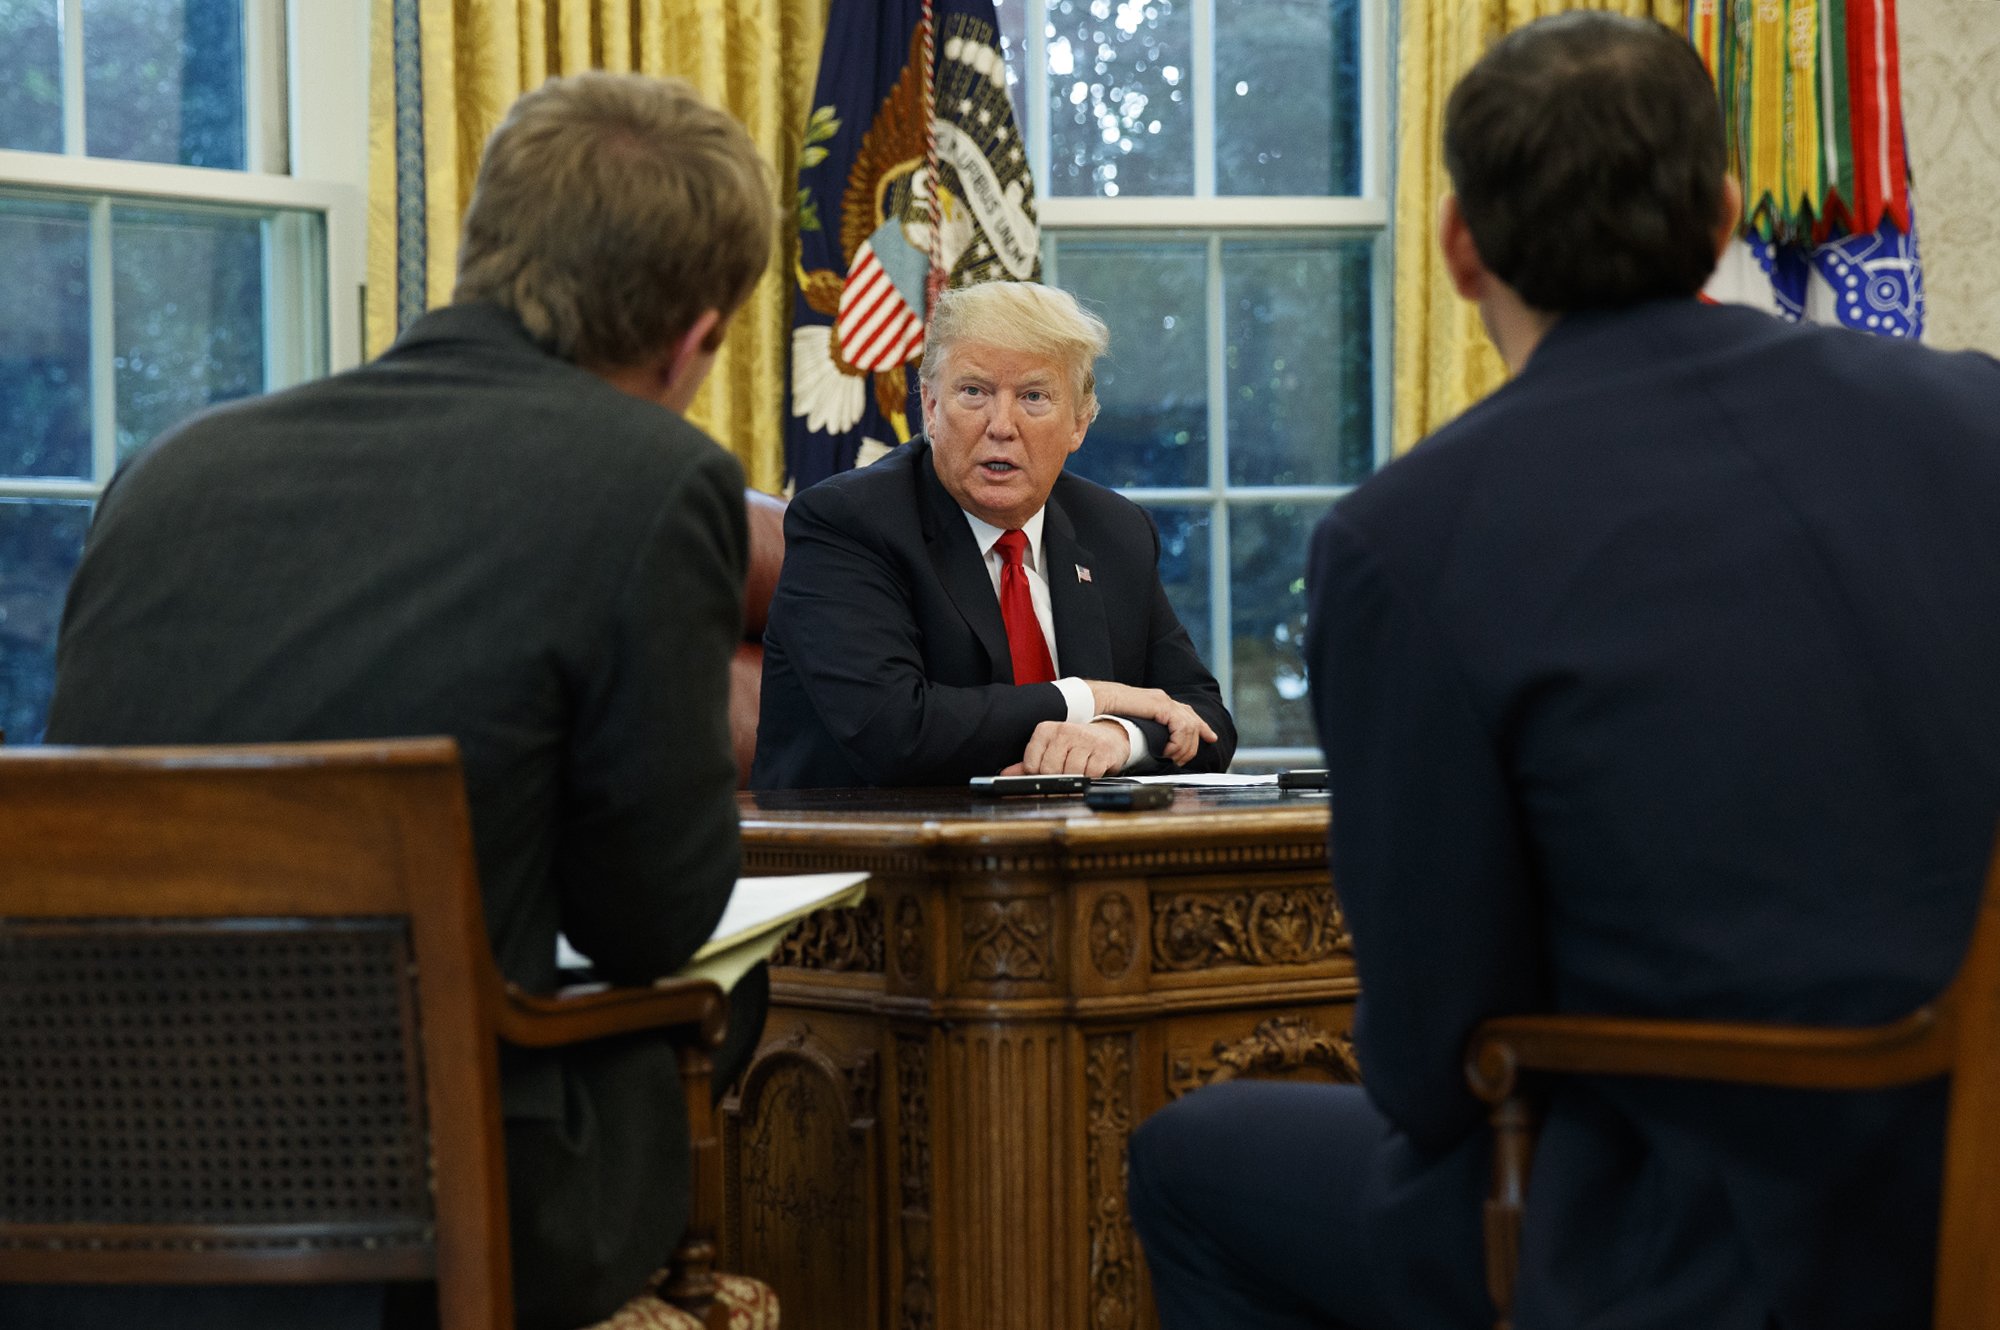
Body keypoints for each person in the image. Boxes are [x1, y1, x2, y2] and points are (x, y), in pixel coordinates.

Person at [1126, 13, 2000, 1330]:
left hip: (1689, 1244)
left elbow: (1434, 1062)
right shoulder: (1974, 421)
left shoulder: (1407, 537)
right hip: (1972, 1195)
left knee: (1190, 1160)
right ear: (1721, 216)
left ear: (1458, 246)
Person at [32, 73, 775, 1330]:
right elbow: (652, 921)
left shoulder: (168, 468)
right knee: (734, 989)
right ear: (696, 337)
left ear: (483, 245)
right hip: (431, 1219)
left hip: (81, 1191)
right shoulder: (651, 477)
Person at [751, 280, 1235, 789]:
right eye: (974, 392)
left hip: (1071, 850)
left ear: (1079, 424)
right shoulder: (848, 523)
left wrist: (1119, 737)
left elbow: (1205, 721)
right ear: (931, 408)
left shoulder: (1115, 531)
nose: (1001, 425)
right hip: (876, 854)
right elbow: (896, 730)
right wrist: (1095, 699)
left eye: (1033, 396)